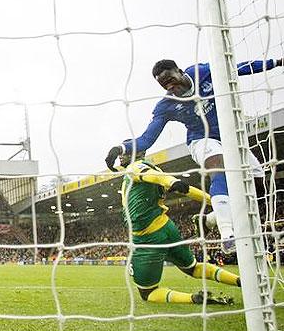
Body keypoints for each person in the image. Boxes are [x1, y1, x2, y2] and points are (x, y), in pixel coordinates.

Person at [105, 57, 283, 253]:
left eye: (171, 79)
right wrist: (121, 148)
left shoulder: (202, 72)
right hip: (201, 141)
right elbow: (147, 139)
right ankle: (227, 235)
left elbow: (239, 68)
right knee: (219, 169)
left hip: (230, 137)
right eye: (164, 85)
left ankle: (214, 218)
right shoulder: (166, 105)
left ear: (180, 71)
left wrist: (277, 62)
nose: (170, 86)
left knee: (260, 187)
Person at [117, 148, 240, 305]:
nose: (121, 156)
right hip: (167, 227)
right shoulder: (155, 170)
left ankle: (195, 299)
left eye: (125, 152)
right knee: (193, 268)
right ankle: (240, 281)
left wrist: (170, 182)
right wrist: (215, 202)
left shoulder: (135, 167)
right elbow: (186, 189)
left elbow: (148, 174)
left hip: (147, 238)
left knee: (148, 293)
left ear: (138, 153)